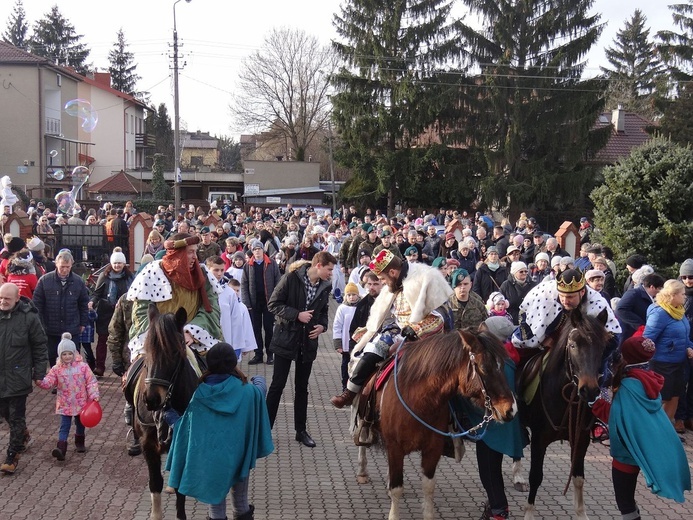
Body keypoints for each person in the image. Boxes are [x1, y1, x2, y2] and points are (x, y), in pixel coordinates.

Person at [331, 250, 452, 409]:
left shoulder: (426, 278)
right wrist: (369, 330)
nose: (383, 283)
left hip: (427, 335)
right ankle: (350, 392)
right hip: (398, 329)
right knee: (372, 350)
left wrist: (416, 328)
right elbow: (387, 313)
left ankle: (458, 415)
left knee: (449, 373)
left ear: (393, 272)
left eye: (382, 279)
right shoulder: (396, 283)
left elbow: (440, 316)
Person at [165, 342, 274, 520]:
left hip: (211, 464)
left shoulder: (199, 395)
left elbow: (184, 428)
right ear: (233, 363)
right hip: (239, 458)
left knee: (216, 508)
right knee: (241, 503)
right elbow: (260, 391)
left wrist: (168, 414)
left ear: (209, 364)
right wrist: (259, 379)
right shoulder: (248, 392)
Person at [592, 336, 691, 518]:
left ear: (627, 357)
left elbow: (614, 416)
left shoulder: (628, 386)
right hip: (643, 449)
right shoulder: (649, 379)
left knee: (625, 502)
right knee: (628, 501)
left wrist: (593, 402)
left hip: (626, 453)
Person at [265, 251, 336, 448]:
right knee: (277, 386)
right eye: (329, 269)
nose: (331, 274)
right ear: (319, 265)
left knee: (302, 388)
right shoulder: (291, 278)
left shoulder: (325, 286)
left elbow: (323, 313)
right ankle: (264, 430)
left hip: (307, 342)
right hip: (285, 338)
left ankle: (300, 431)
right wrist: (297, 315)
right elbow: (273, 304)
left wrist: (322, 326)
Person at [126, 233, 223, 359]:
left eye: (195, 252)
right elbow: (141, 313)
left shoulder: (203, 274)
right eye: (190, 252)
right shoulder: (151, 274)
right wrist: (163, 336)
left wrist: (191, 332)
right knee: (140, 372)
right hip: (157, 338)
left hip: (194, 339)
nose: (195, 257)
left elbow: (212, 309)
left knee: (222, 365)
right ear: (176, 254)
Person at [512, 269, 622, 371]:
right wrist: (542, 341)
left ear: (582, 292)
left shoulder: (597, 304)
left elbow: (613, 337)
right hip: (542, 342)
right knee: (513, 361)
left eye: (570, 297)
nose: (565, 301)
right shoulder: (542, 296)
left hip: (580, 349)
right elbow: (525, 317)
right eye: (562, 296)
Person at [0, 282, 48, 474]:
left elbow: (39, 345)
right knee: (5, 414)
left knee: (16, 416)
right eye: (1, 298)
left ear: (17, 298)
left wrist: (39, 373)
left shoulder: (29, 318)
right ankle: (24, 436)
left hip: (18, 376)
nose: (3, 302)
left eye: (7, 299)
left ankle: (12, 456)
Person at [36, 333, 99, 461]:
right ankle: (61, 448)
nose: (67, 357)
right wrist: (40, 382)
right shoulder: (56, 369)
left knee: (80, 424)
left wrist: (93, 395)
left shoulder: (83, 367)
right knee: (64, 426)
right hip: (65, 404)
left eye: (70, 353)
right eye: (64, 354)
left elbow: (91, 381)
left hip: (81, 403)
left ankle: (80, 442)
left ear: (74, 353)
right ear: (60, 355)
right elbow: (49, 381)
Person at [643, 279, 693, 422]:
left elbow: (685, 334)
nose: (685, 297)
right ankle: (652, 431)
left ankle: (666, 432)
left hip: (679, 362)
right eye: (682, 294)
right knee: (661, 398)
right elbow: (647, 339)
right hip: (662, 363)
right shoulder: (659, 313)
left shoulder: (679, 311)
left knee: (675, 396)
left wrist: (689, 347)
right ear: (672, 295)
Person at [33, 249, 90, 367]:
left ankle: (71, 382)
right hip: (51, 327)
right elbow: (37, 304)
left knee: (73, 358)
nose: (65, 270)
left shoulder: (78, 282)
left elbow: (83, 303)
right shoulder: (45, 281)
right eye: (62, 266)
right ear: (56, 264)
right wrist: (41, 323)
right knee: (53, 357)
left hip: (72, 327)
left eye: (68, 267)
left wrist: (83, 323)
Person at [90, 247, 134, 376]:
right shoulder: (105, 276)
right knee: (102, 340)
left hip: (124, 314)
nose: (117, 265)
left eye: (119, 263)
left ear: (124, 263)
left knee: (123, 340)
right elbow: (96, 293)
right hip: (106, 312)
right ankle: (100, 367)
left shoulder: (130, 277)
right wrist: (92, 302)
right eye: (115, 263)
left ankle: (123, 365)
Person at [206, 256, 256, 362]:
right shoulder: (201, 290)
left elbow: (236, 321)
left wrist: (238, 346)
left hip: (226, 341)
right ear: (208, 269)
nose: (219, 274)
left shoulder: (229, 293)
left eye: (222, 270)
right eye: (216, 270)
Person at [242, 239, 281, 366]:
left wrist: (276, 300)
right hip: (254, 303)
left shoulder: (272, 263)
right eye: (254, 249)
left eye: (259, 249)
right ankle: (258, 354)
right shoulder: (248, 266)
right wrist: (247, 303)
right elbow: (244, 285)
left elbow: (278, 282)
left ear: (263, 250)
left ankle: (270, 354)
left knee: (269, 329)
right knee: (255, 329)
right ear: (252, 251)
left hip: (268, 302)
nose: (257, 251)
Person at [616, 273, 665, 341]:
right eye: (659, 288)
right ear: (652, 287)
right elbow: (620, 309)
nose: (660, 291)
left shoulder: (651, 297)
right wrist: (639, 325)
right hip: (628, 333)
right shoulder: (633, 293)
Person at [332, 282, 361, 391]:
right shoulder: (342, 308)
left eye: (354, 295)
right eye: (349, 295)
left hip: (358, 342)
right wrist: (338, 343)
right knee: (345, 365)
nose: (352, 297)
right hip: (345, 343)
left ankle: (355, 387)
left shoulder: (361, 307)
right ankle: (345, 387)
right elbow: (337, 326)